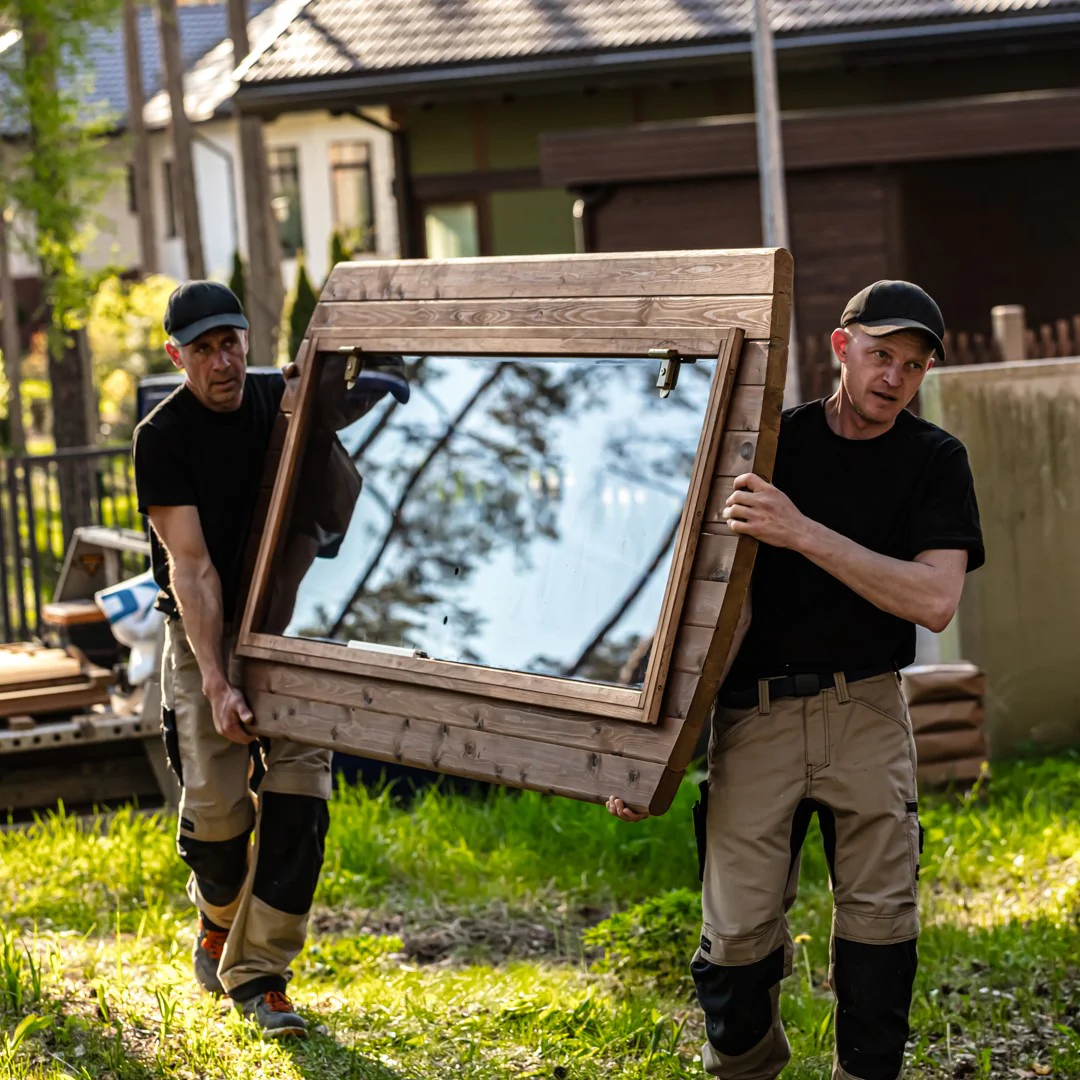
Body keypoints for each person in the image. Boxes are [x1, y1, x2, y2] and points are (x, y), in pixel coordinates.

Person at [608, 280, 984, 1080]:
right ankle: (748, 1066)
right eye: (882, 355)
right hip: (758, 714)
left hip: (870, 711)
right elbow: (716, 610)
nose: (895, 378)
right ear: (841, 347)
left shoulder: (935, 461)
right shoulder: (771, 444)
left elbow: (935, 599)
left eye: (914, 366)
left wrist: (803, 532)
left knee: (882, 930)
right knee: (734, 949)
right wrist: (651, 751)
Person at [133, 281, 338, 1037]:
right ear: (175, 355)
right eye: (204, 349)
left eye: (232, 342)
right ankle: (217, 920)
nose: (223, 362)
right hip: (201, 631)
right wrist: (218, 681)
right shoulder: (162, 437)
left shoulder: (278, 401)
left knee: (300, 807)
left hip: (289, 629)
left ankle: (261, 977)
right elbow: (192, 570)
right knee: (218, 821)